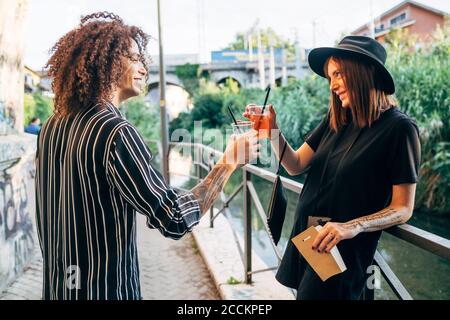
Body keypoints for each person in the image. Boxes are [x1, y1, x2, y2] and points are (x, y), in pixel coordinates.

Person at [35, 12, 259, 300]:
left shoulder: (52, 125)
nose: (144, 69)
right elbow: (174, 218)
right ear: (109, 62)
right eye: (135, 58)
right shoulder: (115, 132)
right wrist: (228, 162)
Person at [244, 35, 421, 299]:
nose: (333, 85)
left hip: (342, 253)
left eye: (338, 74)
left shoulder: (399, 129)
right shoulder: (336, 120)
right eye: (330, 78)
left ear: (364, 71)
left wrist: (353, 225)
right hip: (310, 240)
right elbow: (295, 164)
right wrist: (273, 131)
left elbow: (403, 208)